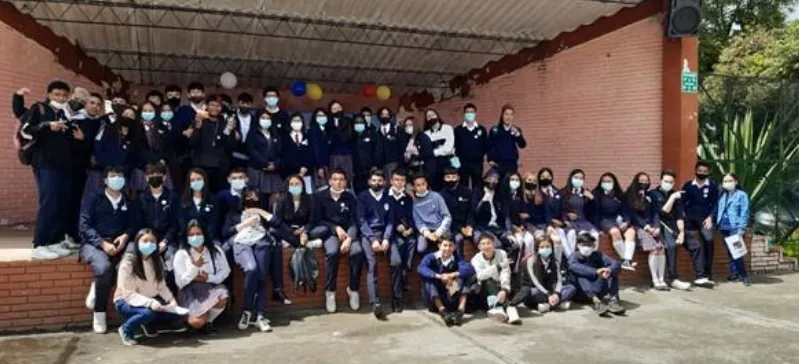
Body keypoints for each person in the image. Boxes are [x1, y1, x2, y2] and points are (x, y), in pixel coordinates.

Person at [20, 80, 85, 259]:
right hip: (45, 164)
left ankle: (55, 241)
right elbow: (25, 130)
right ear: (49, 95)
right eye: (57, 95)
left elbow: (65, 142)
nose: (61, 98)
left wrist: (77, 137)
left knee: (61, 203)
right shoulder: (39, 109)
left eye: (64, 95)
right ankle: (39, 244)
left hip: (63, 165)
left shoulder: (63, 114)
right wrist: (47, 125)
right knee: (49, 203)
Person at [79, 166, 138, 334]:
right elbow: (84, 226)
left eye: (120, 175)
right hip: (94, 244)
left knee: (129, 263)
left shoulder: (127, 200)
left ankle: (98, 286)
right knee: (104, 268)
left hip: (119, 243)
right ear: (105, 180)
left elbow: (132, 224)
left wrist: (125, 236)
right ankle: (99, 314)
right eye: (113, 176)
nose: (117, 179)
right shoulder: (93, 198)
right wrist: (102, 243)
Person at [221, 190, 282, 332]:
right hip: (242, 244)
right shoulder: (234, 214)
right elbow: (225, 232)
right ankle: (247, 310)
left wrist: (260, 212)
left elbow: (277, 223)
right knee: (252, 269)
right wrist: (245, 224)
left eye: (255, 196)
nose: (252, 199)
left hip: (261, 243)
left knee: (262, 275)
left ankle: (260, 315)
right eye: (249, 196)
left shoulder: (262, 212)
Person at [114, 229, 186, 345]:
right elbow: (129, 294)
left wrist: (172, 300)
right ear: (137, 242)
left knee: (177, 315)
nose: (149, 244)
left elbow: (161, 286)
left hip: (149, 299)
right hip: (126, 301)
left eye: (152, 241)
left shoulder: (157, 260)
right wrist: (151, 303)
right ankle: (126, 329)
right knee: (147, 313)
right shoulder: (128, 262)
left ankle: (147, 323)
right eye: (145, 241)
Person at [312, 168, 363, 313]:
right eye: (335, 179)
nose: (338, 182)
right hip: (330, 233)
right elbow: (318, 220)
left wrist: (349, 238)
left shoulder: (350, 198)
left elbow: (354, 220)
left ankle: (353, 290)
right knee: (332, 253)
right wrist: (335, 228)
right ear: (329, 181)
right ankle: (330, 292)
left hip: (349, 234)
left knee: (357, 252)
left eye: (341, 179)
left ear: (346, 182)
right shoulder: (320, 197)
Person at [173, 220, 231, 332]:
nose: (195, 237)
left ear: (204, 234)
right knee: (197, 322)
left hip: (209, 287)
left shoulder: (215, 251)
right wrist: (195, 268)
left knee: (222, 296)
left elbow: (225, 271)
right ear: (186, 237)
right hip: (189, 291)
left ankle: (209, 321)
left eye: (198, 234)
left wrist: (209, 278)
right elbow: (180, 282)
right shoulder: (181, 254)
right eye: (191, 235)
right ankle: (197, 319)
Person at [355, 168, 394, 319]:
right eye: (374, 180)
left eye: (380, 180)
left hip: (385, 234)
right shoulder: (362, 197)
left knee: (396, 262)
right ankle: (375, 303)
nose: (377, 183)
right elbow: (361, 221)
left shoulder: (388, 198)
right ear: (369, 182)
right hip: (368, 235)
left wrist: (386, 238)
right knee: (372, 266)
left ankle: (398, 298)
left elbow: (390, 221)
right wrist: (373, 239)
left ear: (384, 182)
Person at [134, 162, 180, 290]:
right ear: (146, 178)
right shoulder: (140, 199)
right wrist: (150, 240)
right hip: (147, 239)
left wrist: (165, 241)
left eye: (158, 174)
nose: (155, 177)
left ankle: (170, 295)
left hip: (168, 240)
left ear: (164, 177)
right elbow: (139, 224)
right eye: (151, 175)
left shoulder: (173, 197)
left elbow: (175, 224)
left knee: (171, 261)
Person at [417, 234, 475, 327]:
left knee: (465, 276)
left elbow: (470, 269)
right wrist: (439, 276)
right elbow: (421, 268)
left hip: (450, 294)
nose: (447, 248)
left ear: (454, 247)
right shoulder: (431, 257)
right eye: (445, 245)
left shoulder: (456, 259)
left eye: (450, 245)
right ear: (439, 246)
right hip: (434, 299)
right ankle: (443, 311)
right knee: (428, 279)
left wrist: (452, 275)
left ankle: (460, 311)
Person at [649, 170, 693, 290]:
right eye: (666, 181)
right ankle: (672, 278)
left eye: (671, 182)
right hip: (659, 225)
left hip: (674, 226)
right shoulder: (653, 194)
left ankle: (701, 276)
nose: (668, 184)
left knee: (696, 245)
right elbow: (663, 212)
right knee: (671, 246)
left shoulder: (676, 194)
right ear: (660, 181)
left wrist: (682, 233)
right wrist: (672, 198)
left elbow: (679, 215)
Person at [185, 96, 239, 193]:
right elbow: (192, 143)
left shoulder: (226, 123)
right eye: (212, 105)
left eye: (218, 106)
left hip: (220, 166)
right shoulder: (199, 121)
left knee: (219, 193)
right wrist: (197, 127)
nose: (215, 108)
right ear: (206, 106)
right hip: (201, 165)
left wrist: (231, 131)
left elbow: (231, 146)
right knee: (202, 193)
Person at [511, 235, 575, 313]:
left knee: (571, 288)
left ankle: (549, 305)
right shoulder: (531, 261)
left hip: (550, 290)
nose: (545, 249)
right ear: (537, 248)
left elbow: (559, 280)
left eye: (548, 246)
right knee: (534, 292)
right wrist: (548, 295)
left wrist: (556, 294)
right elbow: (535, 281)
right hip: (537, 290)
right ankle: (556, 303)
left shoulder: (555, 261)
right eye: (542, 247)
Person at [625, 172, 668, 289]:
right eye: (641, 180)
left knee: (661, 249)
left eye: (646, 180)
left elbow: (655, 213)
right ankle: (655, 280)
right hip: (640, 227)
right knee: (654, 249)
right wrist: (647, 227)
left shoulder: (650, 195)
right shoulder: (630, 195)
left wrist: (657, 226)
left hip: (653, 226)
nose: (644, 182)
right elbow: (633, 215)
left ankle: (661, 279)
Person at [569, 233, 626, 317]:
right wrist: (596, 271)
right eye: (584, 245)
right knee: (580, 274)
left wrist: (609, 270)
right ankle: (597, 302)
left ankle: (613, 300)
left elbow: (615, 263)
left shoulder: (597, 255)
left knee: (612, 272)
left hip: (597, 289)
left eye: (589, 245)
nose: (587, 247)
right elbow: (574, 266)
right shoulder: (574, 256)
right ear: (578, 245)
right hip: (581, 294)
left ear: (593, 246)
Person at [681, 161, 718, 286]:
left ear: (709, 172)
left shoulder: (713, 186)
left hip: (705, 220)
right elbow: (682, 203)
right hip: (689, 220)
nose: (702, 173)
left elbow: (715, 204)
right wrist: (684, 217)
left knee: (709, 240)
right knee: (694, 245)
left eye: (705, 171)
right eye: (700, 171)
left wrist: (710, 217)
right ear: (695, 171)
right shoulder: (688, 186)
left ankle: (708, 273)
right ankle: (699, 273)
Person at [470, 233, 520, 324]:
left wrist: (504, 289)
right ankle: (508, 307)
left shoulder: (502, 253)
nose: (486, 246)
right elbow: (480, 276)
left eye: (489, 243)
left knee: (513, 282)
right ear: (479, 247)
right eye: (483, 244)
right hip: (485, 290)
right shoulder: (476, 259)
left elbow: (505, 272)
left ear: (494, 244)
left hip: (500, 286)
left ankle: (500, 308)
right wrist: (498, 266)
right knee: (487, 280)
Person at [593, 172, 637, 271]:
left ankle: (627, 260)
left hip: (619, 220)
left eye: (609, 181)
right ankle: (625, 260)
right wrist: (597, 229)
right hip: (605, 220)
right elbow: (595, 213)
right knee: (615, 232)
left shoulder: (619, 195)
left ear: (614, 182)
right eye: (604, 181)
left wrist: (626, 222)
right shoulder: (597, 195)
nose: (606, 183)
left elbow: (625, 211)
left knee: (631, 232)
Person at [386, 169, 416, 312]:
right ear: (391, 181)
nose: (399, 183)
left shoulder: (408, 198)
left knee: (412, 242)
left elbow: (411, 216)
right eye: (396, 180)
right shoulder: (385, 197)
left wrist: (410, 228)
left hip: (406, 233)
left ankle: (405, 271)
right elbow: (383, 218)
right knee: (396, 263)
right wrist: (396, 227)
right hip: (390, 234)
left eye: (402, 180)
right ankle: (396, 298)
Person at [88, 110, 134, 194]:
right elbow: (97, 145)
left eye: (131, 115)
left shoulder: (134, 134)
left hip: (122, 173)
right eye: (126, 114)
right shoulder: (107, 127)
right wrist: (106, 164)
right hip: (102, 170)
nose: (128, 117)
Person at [717, 173, 751, 286]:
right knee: (730, 252)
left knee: (737, 252)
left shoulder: (741, 195)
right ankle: (734, 274)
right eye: (725, 181)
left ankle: (744, 276)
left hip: (735, 227)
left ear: (736, 182)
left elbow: (744, 212)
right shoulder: (722, 195)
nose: (727, 183)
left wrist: (741, 229)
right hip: (723, 227)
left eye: (730, 181)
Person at [130, 101, 172, 192]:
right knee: (142, 194)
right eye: (145, 110)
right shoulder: (135, 128)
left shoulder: (162, 126)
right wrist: (150, 162)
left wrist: (163, 160)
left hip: (161, 166)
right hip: (142, 167)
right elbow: (137, 148)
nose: (148, 113)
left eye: (150, 111)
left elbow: (168, 146)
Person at [246, 110, 283, 208]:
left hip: (273, 171)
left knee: (275, 199)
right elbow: (252, 151)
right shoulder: (252, 134)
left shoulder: (275, 134)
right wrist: (266, 164)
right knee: (257, 200)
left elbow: (280, 152)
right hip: (257, 170)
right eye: (263, 118)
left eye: (268, 118)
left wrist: (275, 164)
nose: (266, 120)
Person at [172, 81, 206, 185]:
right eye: (193, 92)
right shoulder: (182, 111)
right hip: (187, 154)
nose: (196, 94)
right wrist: (183, 132)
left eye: (198, 92)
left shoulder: (208, 110)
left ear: (203, 94)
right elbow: (175, 130)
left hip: (206, 154)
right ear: (188, 95)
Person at [274, 175, 322, 248]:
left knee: (323, 229)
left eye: (297, 184)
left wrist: (304, 231)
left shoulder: (310, 199)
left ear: (303, 185)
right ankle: (304, 244)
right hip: (288, 230)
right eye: (291, 184)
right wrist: (291, 230)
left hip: (305, 229)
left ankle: (292, 242)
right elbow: (278, 220)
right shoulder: (283, 200)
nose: (294, 187)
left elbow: (312, 220)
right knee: (273, 230)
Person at [412, 174, 452, 254]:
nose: (421, 187)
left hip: (440, 228)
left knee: (445, 246)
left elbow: (447, 217)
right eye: (418, 185)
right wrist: (427, 234)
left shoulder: (436, 196)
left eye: (423, 184)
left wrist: (438, 232)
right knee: (421, 248)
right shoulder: (414, 203)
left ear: (426, 184)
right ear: (414, 187)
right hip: (426, 230)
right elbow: (418, 222)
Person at [439, 168, 474, 258]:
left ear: (458, 177)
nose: (451, 180)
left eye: (454, 177)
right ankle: (459, 262)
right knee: (458, 238)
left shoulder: (467, 191)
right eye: (448, 177)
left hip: (468, 226)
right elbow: (445, 217)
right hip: (452, 227)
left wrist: (469, 225)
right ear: (444, 178)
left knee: (479, 237)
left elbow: (471, 211)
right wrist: (461, 228)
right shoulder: (441, 195)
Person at [560, 169, 598, 254]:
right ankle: (580, 257)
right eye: (576, 177)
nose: (578, 180)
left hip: (584, 221)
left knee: (595, 235)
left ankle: (593, 257)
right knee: (584, 235)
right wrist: (566, 216)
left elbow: (593, 210)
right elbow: (560, 209)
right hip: (572, 223)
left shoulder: (585, 192)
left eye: (581, 178)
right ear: (571, 178)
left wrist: (592, 199)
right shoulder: (564, 192)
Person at [179, 168, 220, 244]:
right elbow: (182, 223)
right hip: (189, 239)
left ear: (204, 180)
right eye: (192, 180)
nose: (196, 182)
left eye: (198, 179)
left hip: (210, 239)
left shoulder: (212, 199)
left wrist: (205, 238)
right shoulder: (183, 201)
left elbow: (213, 222)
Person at [471, 170, 508, 251]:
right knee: (496, 245)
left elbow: (505, 214)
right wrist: (482, 201)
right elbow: (474, 212)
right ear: (484, 179)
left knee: (513, 242)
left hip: (498, 227)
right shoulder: (477, 191)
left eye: (495, 179)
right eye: (490, 178)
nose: (492, 181)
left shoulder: (500, 194)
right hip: (482, 227)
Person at [487, 104, 526, 180]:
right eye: (506, 114)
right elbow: (489, 146)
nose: (508, 117)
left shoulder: (516, 129)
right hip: (497, 164)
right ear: (502, 115)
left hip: (511, 164)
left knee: (510, 185)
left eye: (511, 114)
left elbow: (522, 145)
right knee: (498, 185)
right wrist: (489, 160)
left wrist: (518, 134)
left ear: (513, 117)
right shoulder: (495, 130)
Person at [454, 103, 488, 189]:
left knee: (477, 187)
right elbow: (455, 148)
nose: (469, 114)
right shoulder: (458, 130)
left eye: (472, 112)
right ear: (464, 114)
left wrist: (479, 156)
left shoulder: (481, 129)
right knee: (462, 187)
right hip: (462, 164)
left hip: (477, 164)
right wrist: (456, 165)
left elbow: (486, 146)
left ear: (475, 114)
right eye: (467, 112)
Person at [538, 168, 568, 259]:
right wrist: (550, 222)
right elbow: (541, 211)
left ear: (551, 177)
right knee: (557, 238)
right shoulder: (537, 193)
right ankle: (567, 260)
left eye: (548, 176)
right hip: (543, 224)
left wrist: (562, 221)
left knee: (569, 233)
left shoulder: (558, 192)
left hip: (557, 224)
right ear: (539, 178)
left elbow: (563, 209)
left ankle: (568, 259)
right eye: (543, 176)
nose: (545, 178)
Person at [423, 108, 455, 191]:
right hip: (433, 166)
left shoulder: (447, 128)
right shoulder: (426, 134)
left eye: (433, 114)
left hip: (448, 163)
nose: (431, 117)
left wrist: (433, 152)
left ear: (437, 115)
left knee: (449, 188)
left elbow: (449, 148)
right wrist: (441, 149)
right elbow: (426, 151)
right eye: (428, 116)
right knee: (436, 189)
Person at [374, 107, 406, 179]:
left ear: (390, 116)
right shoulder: (376, 132)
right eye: (383, 114)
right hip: (380, 167)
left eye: (387, 114)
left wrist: (400, 165)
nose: (385, 116)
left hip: (395, 164)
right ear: (379, 116)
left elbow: (402, 148)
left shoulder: (397, 130)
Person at [281, 112, 314, 180]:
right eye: (294, 120)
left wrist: (305, 168)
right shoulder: (284, 138)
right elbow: (283, 156)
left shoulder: (307, 136)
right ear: (290, 123)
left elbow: (311, 154)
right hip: (289, 174)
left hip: (306, 174)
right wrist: (298, 168)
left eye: (299, 121)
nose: (297, 123)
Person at [328, 100, 355, 182]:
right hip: (333, 155)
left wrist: (339, 125)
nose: (337, 110)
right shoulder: (328, 123)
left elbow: (349, 137)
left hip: (346, 155)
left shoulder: (349, 121)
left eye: (339, 108)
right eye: (334, 109)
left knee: (347, 180)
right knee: (335, 180)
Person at [352, 115, 381, 193]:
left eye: (361, 122)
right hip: (357, 174)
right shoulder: (351, 137)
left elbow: (377, 151)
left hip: (371, 171)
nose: (359, 124)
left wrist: (375, 165)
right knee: (359, 195)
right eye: (356, 122)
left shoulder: (372, 135)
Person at [308, 108, 332, 190]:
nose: (321, 117)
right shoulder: (313, 130)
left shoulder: (328, 130)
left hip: (328, 165)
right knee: (323, 190)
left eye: (323, 115)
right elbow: (315, 149)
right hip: (319, 165)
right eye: (319, 115)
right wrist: (319, 167)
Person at [231, 92, 255, 170]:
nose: (244, 105)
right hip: (233, 152)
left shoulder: (254, 119)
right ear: (238, 103)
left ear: (251, 105)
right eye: (242, 103)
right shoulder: (231, 116)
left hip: (249, 153)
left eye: (247, 104)